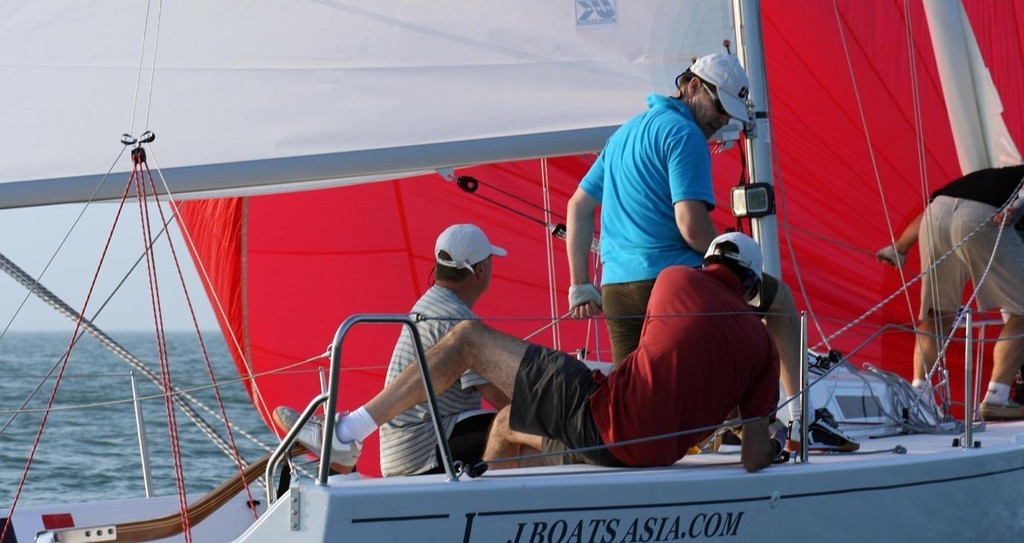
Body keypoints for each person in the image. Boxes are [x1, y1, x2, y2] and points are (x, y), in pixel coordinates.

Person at [275, 233, 783, 474]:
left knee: (469, 340)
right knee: (507, 424)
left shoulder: (675, 279)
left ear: (708, 261)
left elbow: (652, 350)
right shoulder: (760, 346)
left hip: (602, 421)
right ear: (749, 286)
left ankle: (348, 432)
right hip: (644, 452)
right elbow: (756, 459)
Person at [565, 52, 856, 452]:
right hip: (673, 287)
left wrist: (580, 283)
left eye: (729, 115)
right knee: (778, 299)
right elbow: (690, 226)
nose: (722, 121)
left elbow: (577, 206)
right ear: (693, 86)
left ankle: (716, 439)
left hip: (617, 292)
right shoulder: (683, 134)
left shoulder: (625, 133)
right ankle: (799, 421)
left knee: (637, 412)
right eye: (721, 108)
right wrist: (737, 258)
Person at [274, 223, 511, 476]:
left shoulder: (429, 304)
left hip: (399, 452)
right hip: (426, 451)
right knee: (514, 423)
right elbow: (501, 399)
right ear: (481, 270)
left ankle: (346, 434)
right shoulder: (459, 322)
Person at [876, 165, 1024, 420]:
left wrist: (899, 247)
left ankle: (918, 396)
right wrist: (1015, 210)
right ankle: (997, 397)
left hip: (936, 215)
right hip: (986, 217)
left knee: (937, 313)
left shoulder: (994, 176)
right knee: (1022, 312)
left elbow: (933, 209)